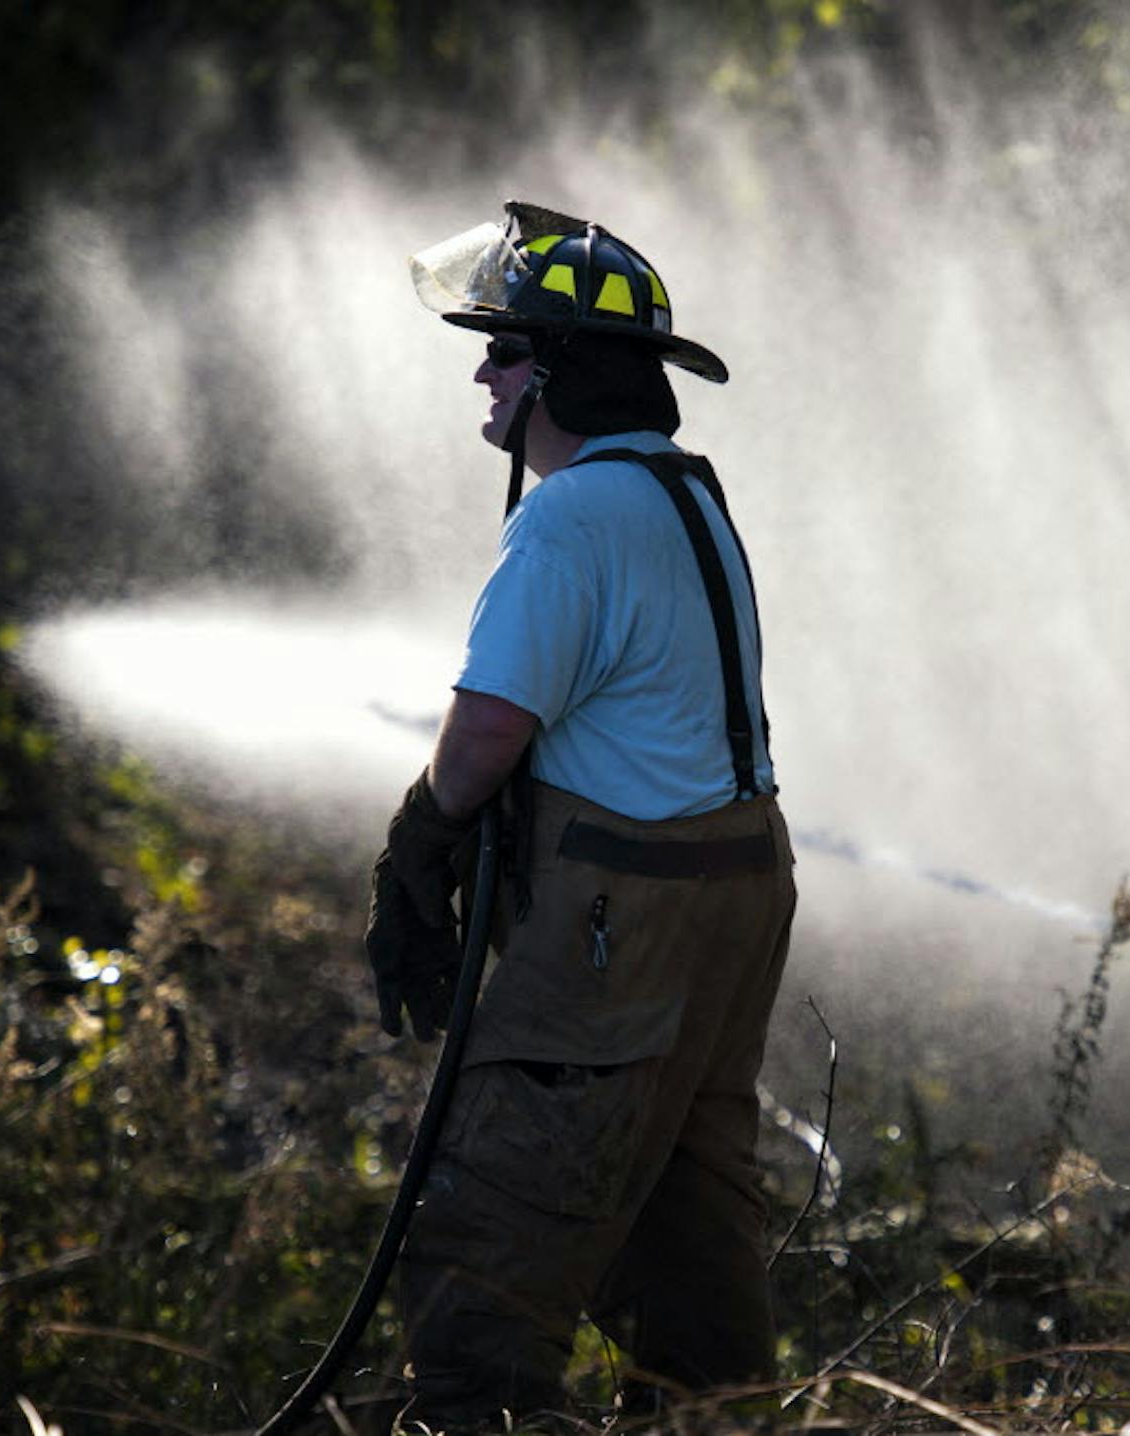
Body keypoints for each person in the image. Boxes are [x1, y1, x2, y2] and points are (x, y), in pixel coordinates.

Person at [362, 201, 795, 1428]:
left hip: (624, 921)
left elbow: (485, 735)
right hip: (735, 896)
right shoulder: (685, 494)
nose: (485, 377)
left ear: (558, 368)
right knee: (688, 1246)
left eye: (503, 351)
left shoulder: (571, 514)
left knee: (491, 1252)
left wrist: (416, 847)